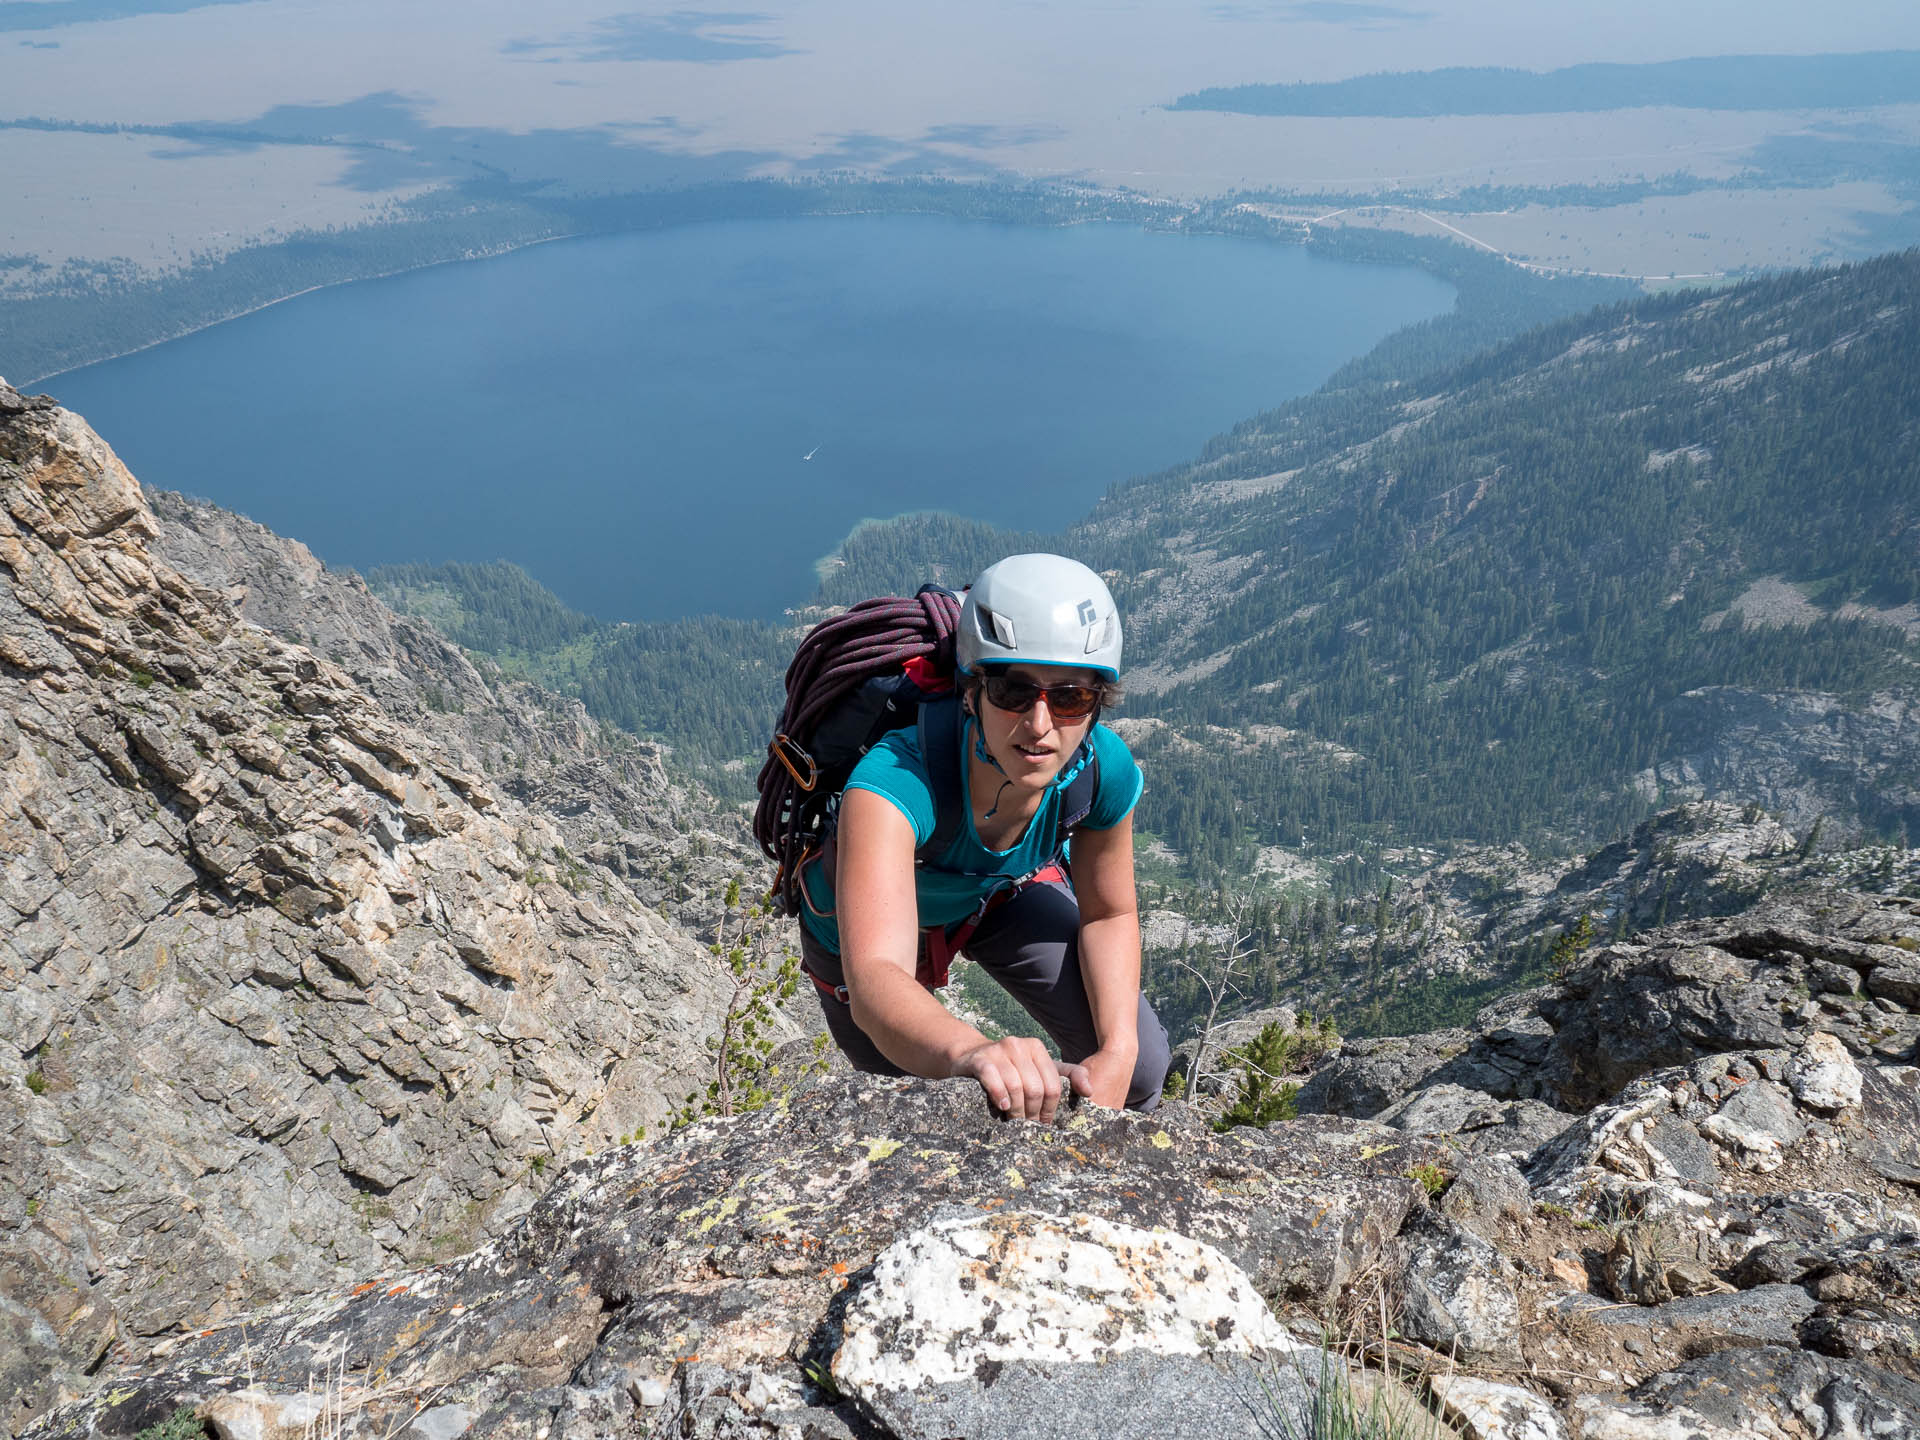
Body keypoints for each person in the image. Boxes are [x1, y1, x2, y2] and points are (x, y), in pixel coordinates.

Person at [794, 553, 1172, 1121]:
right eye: (1013, 692)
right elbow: (876, 977)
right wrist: (973, 1053)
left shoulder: (1099, 771)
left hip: (996, 895)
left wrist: (1118, 1051)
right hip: (853, 937)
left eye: (1069, 697)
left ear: (1097, 705)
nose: (1040, 725)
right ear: (970, 692)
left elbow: (1109, 913)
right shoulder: (895, 783)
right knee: (908, 1106)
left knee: (1139, 1073)